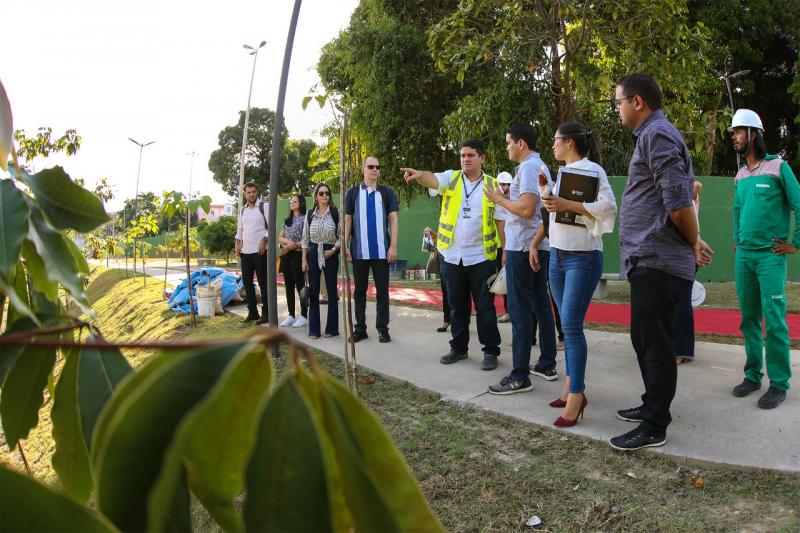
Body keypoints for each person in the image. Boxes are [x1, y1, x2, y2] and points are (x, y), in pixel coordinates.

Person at [610, 73, 713, 451]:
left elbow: (678, 202)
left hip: (660, 260)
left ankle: (655, 426)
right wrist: (695, 239)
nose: (617, 108)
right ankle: (651, 405)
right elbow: (676, 200)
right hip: (650, 259)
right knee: (644, 339)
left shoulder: (658, 134)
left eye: (619, 101)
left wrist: (692, 240)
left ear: (638, 102)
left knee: (655, 344)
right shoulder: (652, 136)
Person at [538, 121, 617, 426]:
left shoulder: (593, 170)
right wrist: (548, 193)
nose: (553, 144)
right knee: (567, 326)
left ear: (569, 142)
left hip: (582, 259)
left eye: (556, 140)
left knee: (570, 326)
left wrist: (567, 202)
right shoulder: (562, 174)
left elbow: (608, 208)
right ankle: (570, 385)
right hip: (557, 256)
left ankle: (577, 396)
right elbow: (559, 213)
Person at [403, 140, 503, 370]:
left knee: (485, 308)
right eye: (462, 155)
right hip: (452, 256)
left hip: (481, 257)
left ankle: (490, 351)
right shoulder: (452, 178)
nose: (465, 159)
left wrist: (504, 253)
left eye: (470, 155)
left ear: (482, 158)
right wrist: (419, 175)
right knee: (457, 306)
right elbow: (433, 179)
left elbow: (500, 223)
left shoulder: (492, 185)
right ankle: (459, 348)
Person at [730, 108, 800, 409]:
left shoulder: (778, 167)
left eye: (738, 132)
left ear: (753, 134)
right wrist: (737, 238)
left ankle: (780, 384)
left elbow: (799, 202)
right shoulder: (740, 174)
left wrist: (794, 243)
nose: (734, 137)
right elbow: (736, 210)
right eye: (733, 133)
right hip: (744, 256)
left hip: (770, 258)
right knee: (748, 320)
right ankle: (752, 375)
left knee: (773, 321)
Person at [484, 123, 557, 394]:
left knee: (519, 310)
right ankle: (547, 363)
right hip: (536, 245)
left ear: (521, 143)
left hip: (524, 247)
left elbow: (527, 210)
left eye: (508, 142)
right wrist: (506, 197)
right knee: (540, 303)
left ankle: (519, 376)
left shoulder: (528, 168)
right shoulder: (538, 167)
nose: (507, 147)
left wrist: (498, 200)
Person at [343, 156, 399, 343]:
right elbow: (348, 220)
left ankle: (383, 329)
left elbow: (393, 219)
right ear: (363, 169)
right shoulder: (352, 193)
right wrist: (345, 246)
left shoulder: (386, 192)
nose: (375, 169)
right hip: (359, 252)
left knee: (383, 291)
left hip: (382, 252)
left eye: (378, 167)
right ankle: (360, 329)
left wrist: (393, 246)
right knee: (359, 291)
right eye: (371, 166)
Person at [302, 183, 342, 339]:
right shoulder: (309, 214)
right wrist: (304, 259)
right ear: (316, 196)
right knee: (313, 291)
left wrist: (333, 250)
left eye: (327, 193)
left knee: (332, 292)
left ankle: (332, 329)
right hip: (313, 251)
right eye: (321, 193)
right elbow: (305, 238)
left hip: (330, 252)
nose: (325, 195)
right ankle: (314, 329)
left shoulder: (335, 212)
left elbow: (342, 236)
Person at [675, 180, 703, 364]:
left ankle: (683, 350)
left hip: (686, 253)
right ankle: (676, 347)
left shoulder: (687, 199)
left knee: (681, 301)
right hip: (678, 252)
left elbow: (697, 186)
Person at [234, 181, 270, 324]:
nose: (251, 194)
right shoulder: (243, 210)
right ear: (245, 194)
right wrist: (237, 243)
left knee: (263, 283)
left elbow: (271, 226)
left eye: (253, 192)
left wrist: (264, 239)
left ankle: (266, 314)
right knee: (247, 283)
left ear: (257, 192)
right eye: (248, 192)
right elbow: (240, 229)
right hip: (245, 252)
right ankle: (252, 313)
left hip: (260, 252)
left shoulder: (264, 207)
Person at [278, 194, 308, 328]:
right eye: (291, 202)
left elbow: (307, 240)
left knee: (300, 286)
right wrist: (287, 242)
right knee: (288, 286)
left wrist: (292, 246)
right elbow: (280, 237)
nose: (292, 203)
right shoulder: (287, 220)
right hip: (286, 256)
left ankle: (304, 315)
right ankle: (291, 315)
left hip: (298, 255)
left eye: (295, 201)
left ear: (301, 203)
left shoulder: (306, 219)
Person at [424, 226, 452, 332]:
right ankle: (447, 319)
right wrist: (431, 234)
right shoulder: (445, 214)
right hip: (444, 257)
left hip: (459, 258)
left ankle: (463, 321)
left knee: (461, 291)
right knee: (446, 291)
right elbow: (441, 238)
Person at [494, 171, 512, 323]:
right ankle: (507, 311)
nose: (504, 187)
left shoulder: (512, 199)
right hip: (496, 247)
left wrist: (505, 251)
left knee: (507, 279)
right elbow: (499, 225)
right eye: (501, 184)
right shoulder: (498, 202)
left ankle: (509, 311)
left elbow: (503, 226)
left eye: (506, 184)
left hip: (507, 247)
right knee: (499, 279)